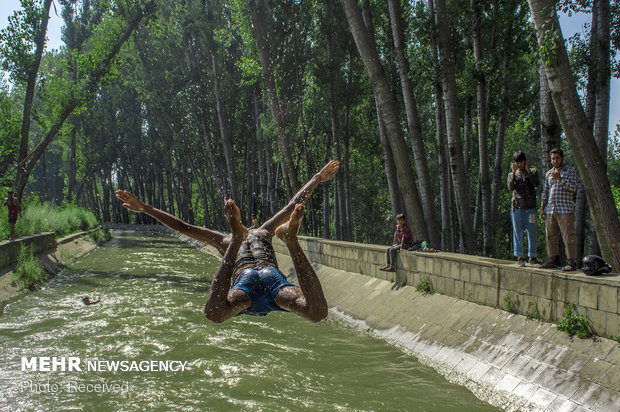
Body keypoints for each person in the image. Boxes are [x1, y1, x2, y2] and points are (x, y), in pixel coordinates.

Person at [115, 160, 340, 322]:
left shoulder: (229, 237)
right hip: (269, 282)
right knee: (317, 312)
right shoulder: (264, 231)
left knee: (214, 313)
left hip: (248, 284)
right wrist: (316, 179)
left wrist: (146, 208)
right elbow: (292, 205)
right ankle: (290, 240)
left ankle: (279, 240)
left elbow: (184, 227)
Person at [538, 148, 578, 271]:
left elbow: (573, 188)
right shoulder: (549, 173)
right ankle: (552, 260)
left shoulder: (570, 171)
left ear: (562, 158)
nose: (555, 161)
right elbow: (545, 192)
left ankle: (571, 262)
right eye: (553, 159)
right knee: (550, 235)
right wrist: (542, 208)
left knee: (568, 235)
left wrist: (560, 178)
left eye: (557, 158)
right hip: (551, 209)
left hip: (565, 209)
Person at [507, 151, 540, 267]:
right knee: (518, 232)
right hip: (517, 207)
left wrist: (528, 171)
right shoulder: (513, 174)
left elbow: (536, 183)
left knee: (532, 231)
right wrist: (514, 172)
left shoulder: (533, 171)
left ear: (525, 161)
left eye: (522, 162)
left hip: (530, 207)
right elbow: (511, 187)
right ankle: (520, 256)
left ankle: (533, 256)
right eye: (518, 162)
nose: (520, 164)